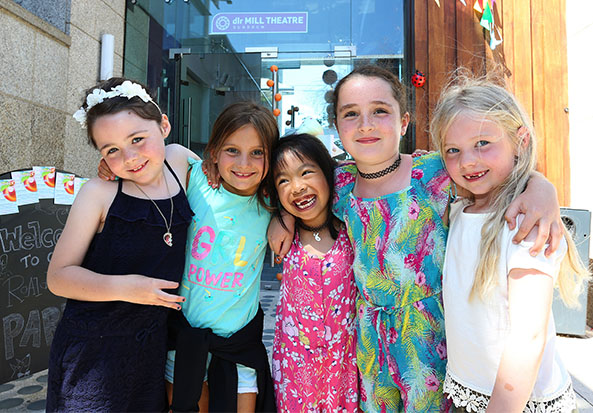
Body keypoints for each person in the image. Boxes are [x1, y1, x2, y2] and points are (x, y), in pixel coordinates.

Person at [268, 65, 563, 412]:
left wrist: (542, 187)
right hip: (369, 342)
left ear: (404, 121)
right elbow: (301, 189)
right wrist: (282, 215)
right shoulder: (341, 185)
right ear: (336, 126)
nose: (365, 124)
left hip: (430, 338)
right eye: (351, 114)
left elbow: (497, 174)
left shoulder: (435, 173)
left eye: (380, 110)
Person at [430, 77, 589, 412]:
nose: (468, 161)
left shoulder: (526, 223)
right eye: (453, 151)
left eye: (483, 143)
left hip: (516, 402)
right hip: (471, 392)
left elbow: (527, 339)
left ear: (520, 140)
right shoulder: (459, 210)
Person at [46, 78, 195, 412]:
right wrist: (127, 287)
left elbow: (227, 192)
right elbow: (58, 277)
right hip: (93, 354)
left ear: (165, 125)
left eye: (138, 139)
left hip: (155, 346)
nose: (129, 157)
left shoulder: (181, 162)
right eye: (111, 150)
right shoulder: (98, 193)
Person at [165, 101, 279, 413]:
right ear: (214, 152)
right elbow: (170, 150)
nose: (245, 163)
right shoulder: (195, 181)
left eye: (258, 152)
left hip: (237, 348)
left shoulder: (274, 202)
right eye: (232, 150)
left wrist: (287, 218)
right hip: (184, 342)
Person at [267, 134, 358, 412]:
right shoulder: (283, 234)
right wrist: (281, 216)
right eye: (283, 180)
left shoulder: (354, 226)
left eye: (306, 172)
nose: (297, 187)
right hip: (296, 373)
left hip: (345, 369)